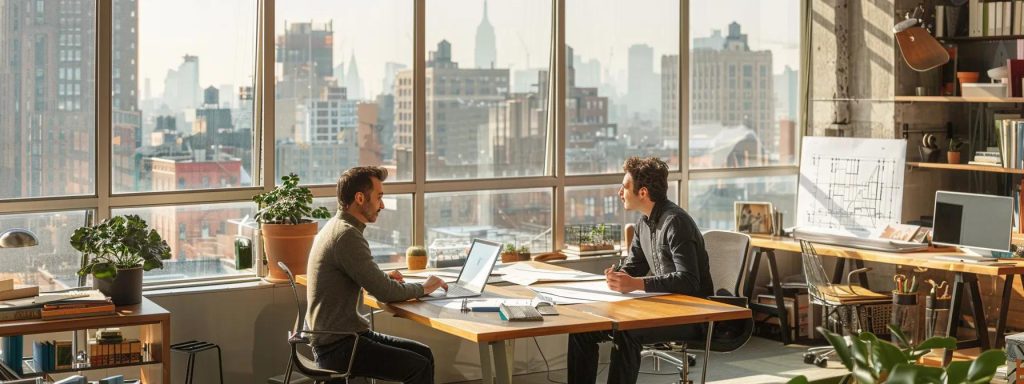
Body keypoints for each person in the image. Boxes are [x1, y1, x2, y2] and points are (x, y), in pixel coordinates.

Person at [567, 157, 715, 384]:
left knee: (627, 332)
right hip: (664, 307)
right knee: (582, 330)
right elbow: (634, 267)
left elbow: (689, 282)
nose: (620, 192)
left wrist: (635, 284)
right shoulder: (643, 224)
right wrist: (618, 275)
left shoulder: (676, 222)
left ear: (643, 192)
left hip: (692, 313)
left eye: (625, 187)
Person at [306, 166, 448, 384]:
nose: (381, 205)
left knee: (424, 355)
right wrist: (425, 288)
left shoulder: (336, 227)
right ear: (360, 198)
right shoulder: (346, 236)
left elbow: (359, 275)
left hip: (337, 338)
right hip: (338, 347)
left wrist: (381, 276)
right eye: (379, 197)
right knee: (418, 367)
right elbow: (385, 293)